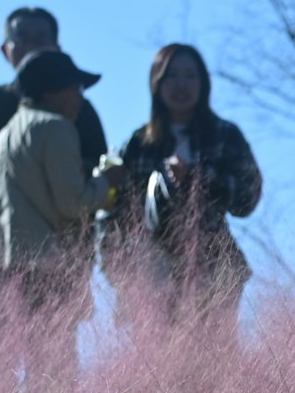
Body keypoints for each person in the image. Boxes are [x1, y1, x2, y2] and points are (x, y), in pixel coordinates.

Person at [0, 7, 106, 379]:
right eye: (22, 38)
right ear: (5, 50)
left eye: (40, 39)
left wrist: (92, 257)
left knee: (51, 368)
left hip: (59, 256)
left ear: (57, 46)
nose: (31, 46)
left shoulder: (81, 111)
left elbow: (94, 175)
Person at [109, 43, 263, 331]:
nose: (181, 85)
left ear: (203, 83)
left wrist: (199, 180)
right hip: (151, 267)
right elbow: (114, 213)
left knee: (215, 358)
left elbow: (248, 197)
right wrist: (118, 270)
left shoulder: (224, 135)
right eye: (171, 76)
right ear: (156, 83)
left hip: (214, 263)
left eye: (190, 76)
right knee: (157, 362)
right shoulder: (138, 144)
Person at [0, 45, 102, 385]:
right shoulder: (56, 127)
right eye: (76, 88)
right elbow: (72, 203)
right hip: (44, 268)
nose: (81, 97)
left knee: (5, 379)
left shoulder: (7, 134)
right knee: (54, 377)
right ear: (52, 91)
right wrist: (109, 186)